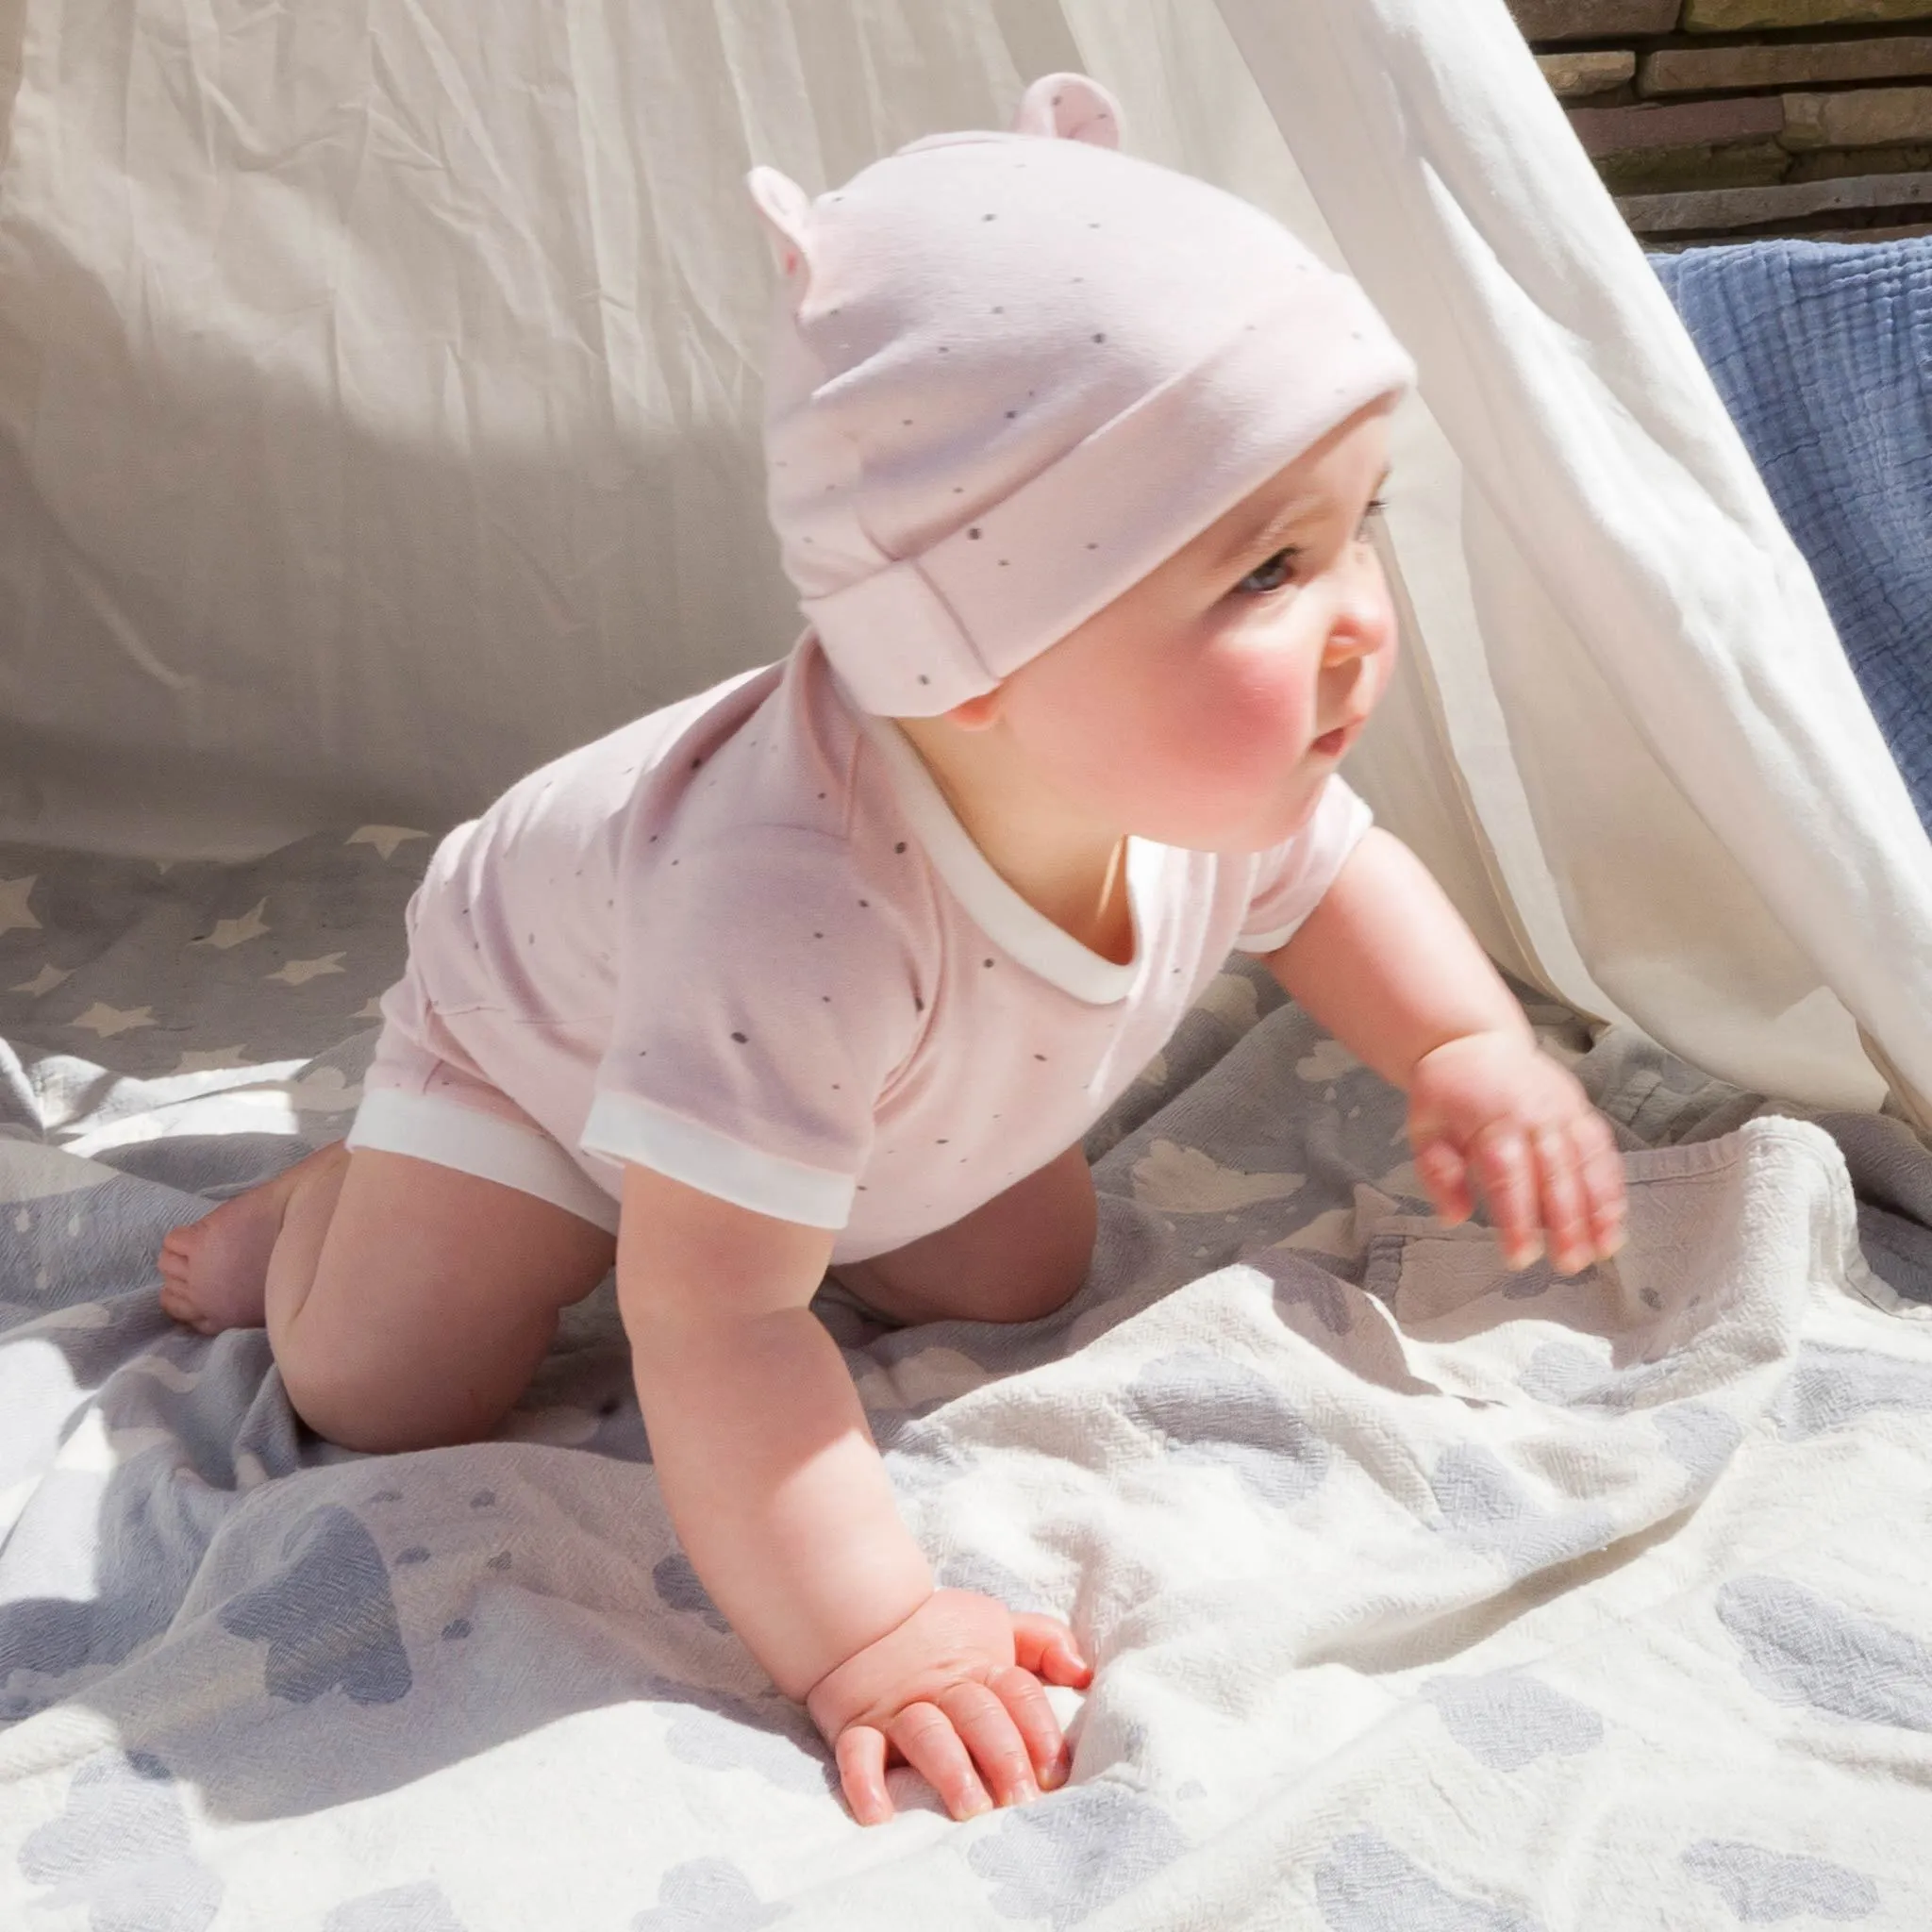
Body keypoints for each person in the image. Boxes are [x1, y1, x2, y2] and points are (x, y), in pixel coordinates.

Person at [157, 74, 1627, 1829]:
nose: (1361, 624)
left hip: (840, 1088)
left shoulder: (1187, 776)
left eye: (1358, 525)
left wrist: (1466, 1049)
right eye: (1269, 571)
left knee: (1021, 1270)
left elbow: (1331, 882)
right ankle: (329, 1205)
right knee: (385, 1386)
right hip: (542, 1053)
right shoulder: (794, 900)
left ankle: (738, 1167)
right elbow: (709, 1315)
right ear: (977, 652)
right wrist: (871, 1634)